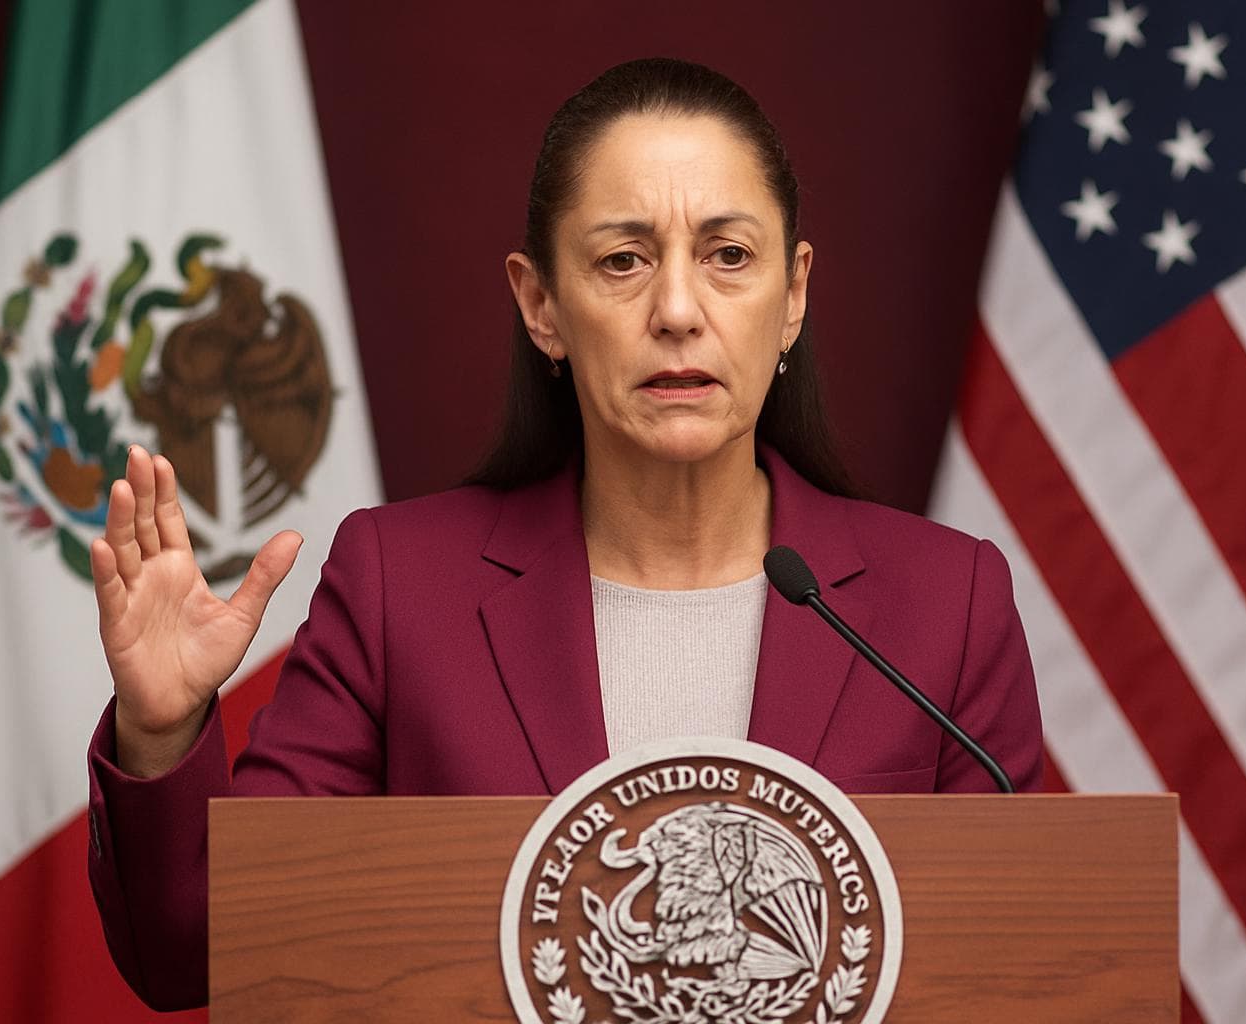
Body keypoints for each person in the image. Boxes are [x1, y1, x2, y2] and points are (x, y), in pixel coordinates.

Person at [86, 57, 1042, 1012]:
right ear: (542, 305)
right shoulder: (400, 589)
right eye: (623, 260)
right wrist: (162, 730)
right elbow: (196, 954)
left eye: (729, 256)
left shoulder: (942, 603)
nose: (676, 311)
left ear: (792, 294)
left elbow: (1022, 972)